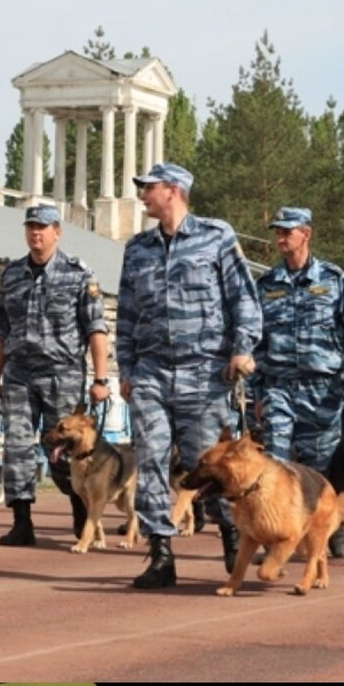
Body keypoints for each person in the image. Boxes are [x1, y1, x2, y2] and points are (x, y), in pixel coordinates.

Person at [116, 163, 263, 589]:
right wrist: (126, 369)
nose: (143, 195)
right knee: (151, 461)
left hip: (205, 374)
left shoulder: (216, 236)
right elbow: (126, 315)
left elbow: (244, 299)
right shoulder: (137, 249)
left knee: (214, 465)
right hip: (151, 374)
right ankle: (160, 554)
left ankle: (233, 539)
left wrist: (242, 349)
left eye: (149, 188)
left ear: (174, 191)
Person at [251, 207, 344, 557]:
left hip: (323, 390)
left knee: (319, 468)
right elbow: (254, 341)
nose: (281, 238)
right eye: (277, 232)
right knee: (276, 464)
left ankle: (326, 529)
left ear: (306, 234)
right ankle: (276, 539)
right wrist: (256, 392)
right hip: (280, 387)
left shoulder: (332, 279)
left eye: (288, 231)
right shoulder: (267, 285)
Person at [0, 205, 110, 546]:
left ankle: (79, 510)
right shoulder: (11, 275)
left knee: (63, 449)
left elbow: (96, 331)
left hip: (63, 374)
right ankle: (22, 521)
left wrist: (100, 380)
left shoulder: (79, 275)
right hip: (19, 375)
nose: (35, 233)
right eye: (30, 227)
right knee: (16, 449)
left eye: (42, 227)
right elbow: (1, 332)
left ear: (58, 231)